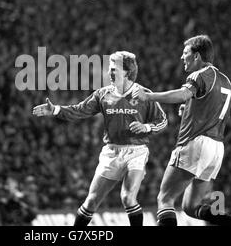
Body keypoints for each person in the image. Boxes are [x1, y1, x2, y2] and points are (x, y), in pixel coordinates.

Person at [33, 51, 167, 226]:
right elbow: (79, 110)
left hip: (136, 152)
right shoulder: (103, 94)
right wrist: (55, 110)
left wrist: (146, 127)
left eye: (114, 69)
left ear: (127, 72)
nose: (109, 73)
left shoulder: (144, 94)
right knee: (91, 201)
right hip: (111, 152)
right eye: (109, 69)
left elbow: (163, 121)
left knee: (127, 198)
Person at [133, 34, 231, 226]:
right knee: (191, 206)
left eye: (185, 52)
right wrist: (188, 110)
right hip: (216, 149)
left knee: (165, 199)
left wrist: (149, 96)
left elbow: (183, 94)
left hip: (196, 143)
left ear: (196, 56)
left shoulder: (199, 75)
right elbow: (213, 109)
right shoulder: (226, 80)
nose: (181, 57)